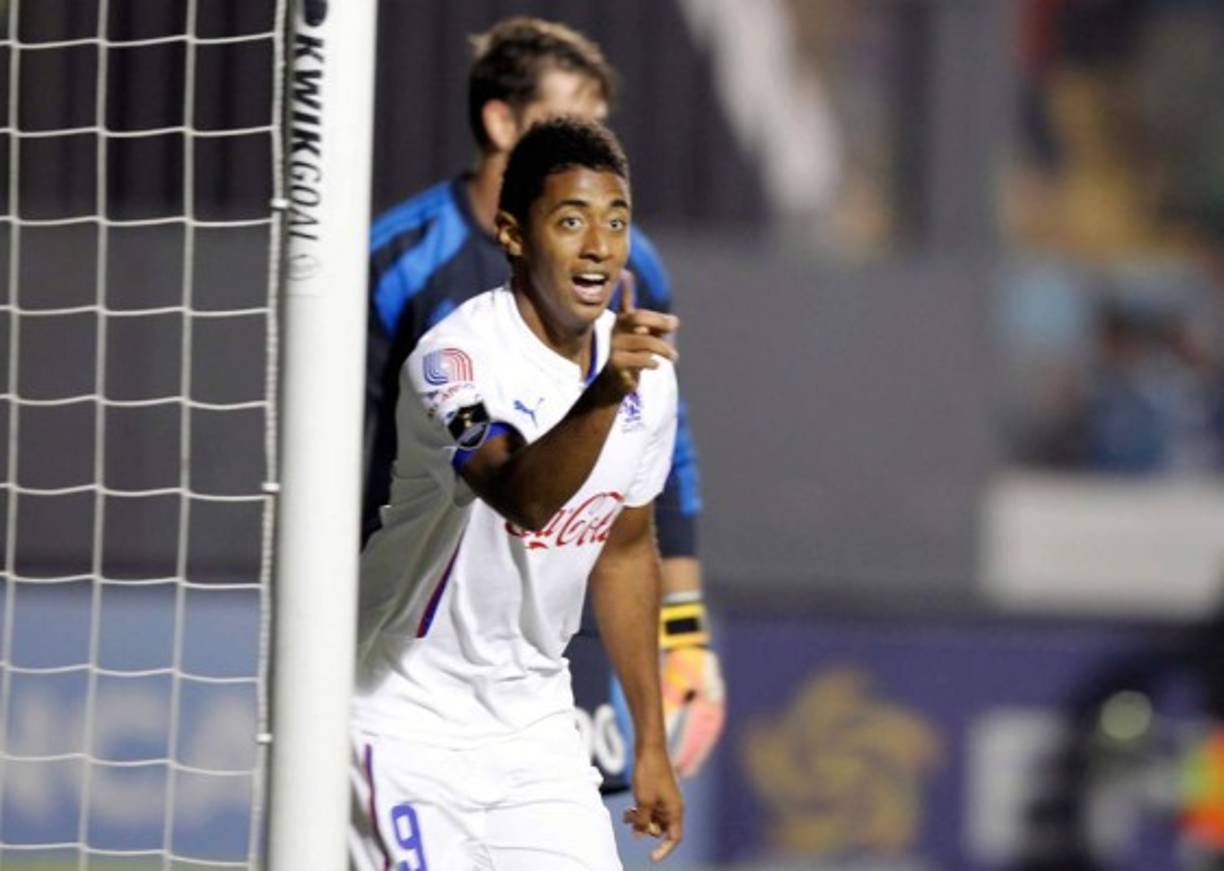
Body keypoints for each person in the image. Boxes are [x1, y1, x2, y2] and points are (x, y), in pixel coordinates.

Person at [366, 16, 724, 792]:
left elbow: (665, 451)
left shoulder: (630, 263)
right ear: (501, 122)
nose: (587, 140)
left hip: (559, 624)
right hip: (421, 627)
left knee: (582, 810)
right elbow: (340, 442)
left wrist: (685, 633)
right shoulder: (398, 258)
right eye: (568, 117)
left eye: (596, 123)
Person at [351, 117, 684, 869]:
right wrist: (604, 394)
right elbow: (518, 493)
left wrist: (652, 744)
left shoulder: (643, 380)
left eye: (616, 221)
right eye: (571, 221)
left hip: (534, 727)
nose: (599, 244)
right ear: (512, 234)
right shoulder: (452, 363)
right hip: (405, 715)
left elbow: (627, 552)